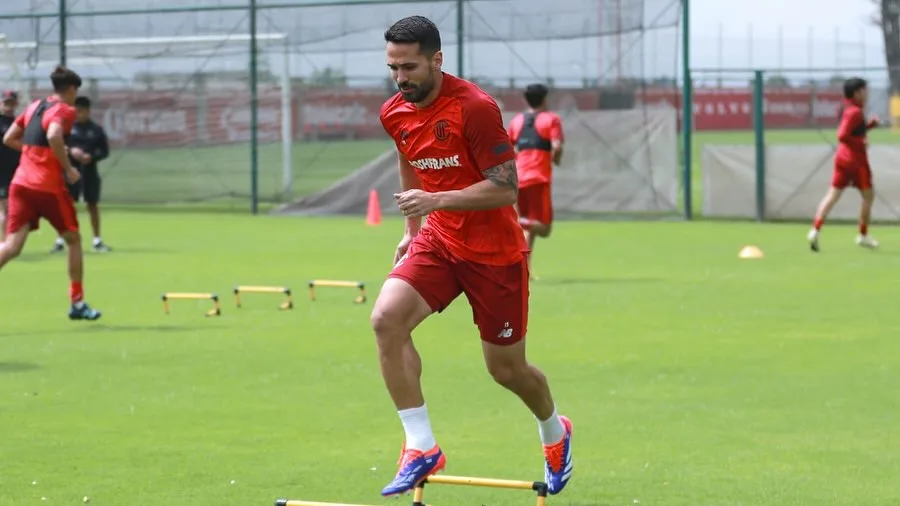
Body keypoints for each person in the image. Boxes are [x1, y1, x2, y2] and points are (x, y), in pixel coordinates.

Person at [372, 15, 573, 499]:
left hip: (494, 254)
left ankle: (555, 431)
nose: (401, 79)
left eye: (410, 67)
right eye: (393, 68)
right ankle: (421, 446)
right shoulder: (394, 111)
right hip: (438, 240)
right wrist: (410, 227)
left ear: (437, 60)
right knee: (386, 320)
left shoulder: (475, 108)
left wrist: (435, 201)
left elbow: (506, 189)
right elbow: (410, 156)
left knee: (506, 371)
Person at [0, 65, 102, 321]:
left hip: (20, 184)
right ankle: (77, 303)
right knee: (74, 239)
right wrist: (67, 168)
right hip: (46, 187)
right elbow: (55, 134)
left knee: (12, 247)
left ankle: (78, 304)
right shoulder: (64, 110)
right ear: (70, 90)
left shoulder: (34, 106)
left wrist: (33, 154)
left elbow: (10, 138)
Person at [807, 77, 879, 252]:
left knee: (832, 196)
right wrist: (860, 144)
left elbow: (853, 131)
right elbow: (842, 135)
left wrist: (868, 126)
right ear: (857, 93)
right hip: (855, 161)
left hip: (843, 159)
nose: (867, 93)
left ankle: (815, 230)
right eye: (864, 90)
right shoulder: (854, 111)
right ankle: (862, 235)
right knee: (868, 196)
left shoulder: (849, 109)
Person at [507, 84, 564, 277]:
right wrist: (556, 159)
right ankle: (516, 221)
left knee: (529, 229)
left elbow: (508, 147)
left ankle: (525, 270)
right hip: (539, 178)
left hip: (519, 177)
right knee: (544, 228)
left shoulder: (516, 121)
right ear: (545, 99)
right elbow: (556, 146)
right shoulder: (552, 120)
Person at [51, 95, 111, 253]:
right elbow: (58, 146)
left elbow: (104, 151)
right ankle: (60, 240)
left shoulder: (96, 130)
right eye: (77, 111)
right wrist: (71, 152)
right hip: (70, 172)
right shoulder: (67, 129)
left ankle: (97, 240)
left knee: (92, 204)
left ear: (88, 111)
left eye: (83, 111)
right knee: (67, 205)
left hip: (90, 172)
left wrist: (91, 156)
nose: (79, 114)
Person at [0, 90, 21, 242]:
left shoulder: (18, 123)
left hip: (16, 170)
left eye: (11, 104)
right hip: (1, 171)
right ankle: (3, 243)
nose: (9, 107)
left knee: (13, 208)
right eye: (6, 103)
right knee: (5, 209)